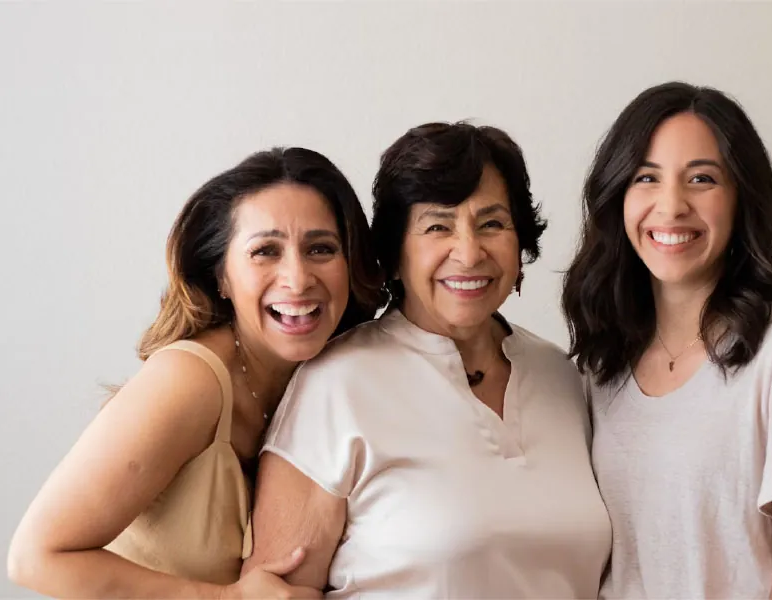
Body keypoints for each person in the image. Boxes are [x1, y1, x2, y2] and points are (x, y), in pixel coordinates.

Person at [243, 122, 612, 598]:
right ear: (395, 254)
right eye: (438, 226)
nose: (469, 251)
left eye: (492, 223)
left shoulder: (563, 376)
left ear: (520, 247)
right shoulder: (336, 384)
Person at [562, 81, 772, 599]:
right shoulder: (601, 369)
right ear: (617, 197)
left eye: (702, 178)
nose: (671, 206)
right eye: (646, 178)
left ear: (742, 198)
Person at [8, 147, 384, 598]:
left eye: (320, 249)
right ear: (220, 277)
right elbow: (35, 558)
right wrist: (226, 598)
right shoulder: (190, 380)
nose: (298, 278)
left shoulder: (336, 377)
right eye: (265, 251)